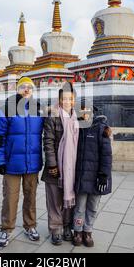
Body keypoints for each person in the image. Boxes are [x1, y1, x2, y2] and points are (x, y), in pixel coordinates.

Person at [0, 77, 44, 247]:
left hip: (32, 163)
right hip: (11, 163)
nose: (26, 90)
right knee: (10, 197)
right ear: (17, 89)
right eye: (23, 87)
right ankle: (6, 229)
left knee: (31, 197)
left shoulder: (39, 109)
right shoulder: (6, 109)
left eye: (30, 87)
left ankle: (30, 226)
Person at [41, 82, 79, 245]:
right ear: (59, 99)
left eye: (70, 99)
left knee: (69, 199)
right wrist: (52, 165)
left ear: (74, 100)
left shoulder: (78, 118)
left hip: (72, 167)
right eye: (64, 99)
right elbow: (48, 142)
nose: (67, 102)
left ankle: (66, 226)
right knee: (55, 200)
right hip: (55, 167)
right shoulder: (53, 117)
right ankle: (55, 229)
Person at [72, 103, 113, 247]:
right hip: (82, 177)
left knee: (93, 206)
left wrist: (104, 175)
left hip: (97, 177)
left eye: (87, 110)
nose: (85, 113)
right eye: (81, 111)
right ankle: (77, 231)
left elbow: (107, 155)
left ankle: (88, 231)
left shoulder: (101, 129)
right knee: (79, 207)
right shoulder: (76, 128)